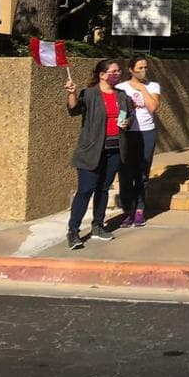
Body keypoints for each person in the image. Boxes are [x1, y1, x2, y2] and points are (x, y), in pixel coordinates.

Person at [64, 59, 133, 249]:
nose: (117, 74)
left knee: (103, 189)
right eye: (113, 71)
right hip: (91, 151)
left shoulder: (122, 96)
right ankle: (73, 231)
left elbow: (129, 118)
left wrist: (126, 123)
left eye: (119, 71)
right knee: (85, 190)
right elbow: (74, 110)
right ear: (102, 75)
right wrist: (72, 93)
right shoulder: (90, 94)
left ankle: (98, 226)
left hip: (114, 150)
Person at [116, 55, 161, 227]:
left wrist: (141, 88)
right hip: (127, 133)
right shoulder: (121, 87)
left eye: (145, 68)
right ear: (130, 70)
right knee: (126, 173)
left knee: (142, 172)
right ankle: (128, 210)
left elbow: (153, 107)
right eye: (139, 68)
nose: (143, 71)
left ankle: (140, 209)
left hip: (146, 132)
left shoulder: (153, 86)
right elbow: (119, 111)